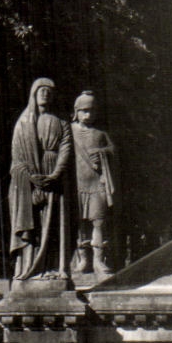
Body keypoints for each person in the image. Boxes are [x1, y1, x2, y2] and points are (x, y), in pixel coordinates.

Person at [8, 77, 75, 282]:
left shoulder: (61, 121)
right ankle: (29, 267)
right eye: (41, 90)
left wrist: (55, 174)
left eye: (49, 91)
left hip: (55, 176)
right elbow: (17, 157)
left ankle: (55, 266)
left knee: (55, 224)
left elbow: (66, 148)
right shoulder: (24, 123)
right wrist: (32, 178)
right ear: (34, 94)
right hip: (28, 181)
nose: (45, 93)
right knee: (34, 224)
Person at [70, 91, 116, 278]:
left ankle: (98, 260)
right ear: (76, 112)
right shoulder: (69, 131)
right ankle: (84, 260)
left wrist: (103, 153)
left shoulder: (101, 134)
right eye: (84, 111)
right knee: (80, 223)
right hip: (77, 184)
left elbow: (113, 151)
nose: (88, 115)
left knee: (98, 222)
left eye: (92, 111)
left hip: (97, 184)